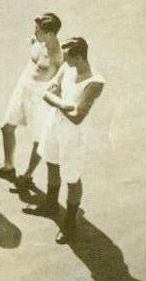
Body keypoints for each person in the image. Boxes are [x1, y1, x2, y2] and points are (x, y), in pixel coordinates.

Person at [25, 36, 105, 243]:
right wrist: (66, 105)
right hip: (55, 125)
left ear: (79, 57)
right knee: (51, 163)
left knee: (71, 178)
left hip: (73, 135)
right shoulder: (66, 67)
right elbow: (48, 93)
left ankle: (69, 223)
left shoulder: (95, 82)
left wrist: (59, 103)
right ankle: (51, 205)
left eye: (68, 57)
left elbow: (78, 117)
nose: (64, 61)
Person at [0, 13, 63, 189]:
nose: (35, 32)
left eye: (38, 30)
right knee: (6, 126)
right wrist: (34, 41)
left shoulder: (58, 56)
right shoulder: (38, 42)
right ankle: (8, 167)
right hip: (22, 89)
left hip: (39, 98)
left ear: (50, 33)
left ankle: (27, 176)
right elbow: (34, 45)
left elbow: (61, 83)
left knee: (38, 139)